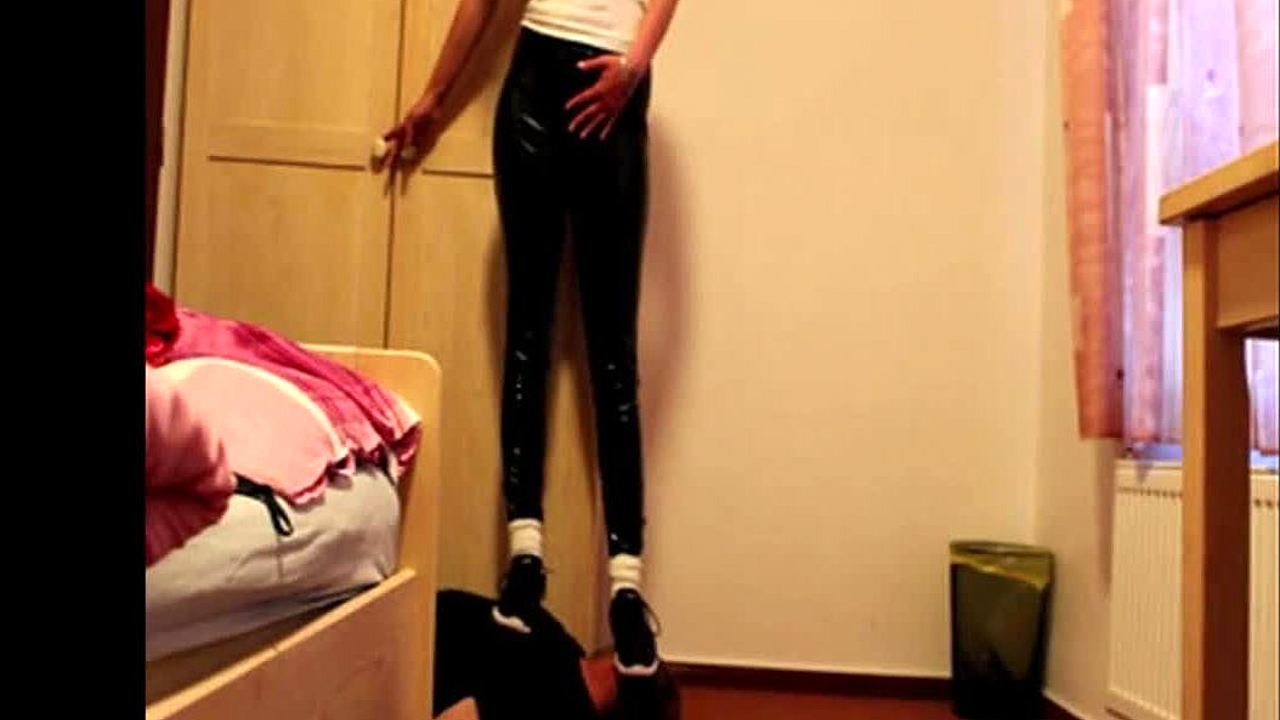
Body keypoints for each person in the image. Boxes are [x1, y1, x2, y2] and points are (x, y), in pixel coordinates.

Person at [381, 0, 681, 701]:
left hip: (614, 80)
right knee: (528, 334)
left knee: (613, 353)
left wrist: (634, 67)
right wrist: (434, 97)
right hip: (532, 86)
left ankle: (627, 590)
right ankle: (525, 556)